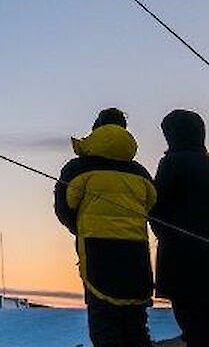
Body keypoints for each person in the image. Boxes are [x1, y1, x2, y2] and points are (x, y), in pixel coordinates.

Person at [56, 111, 157, 347]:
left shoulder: (77, 169)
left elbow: (64, 208)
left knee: (105, 327)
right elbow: (152, 206)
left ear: (96, 129)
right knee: (136, 327)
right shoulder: (139, 172)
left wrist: (82, 229)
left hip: (97, 255)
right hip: (136, 256)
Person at [150, 110, 209, 347]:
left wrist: (164, 234)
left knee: (192, 322)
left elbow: (157, 206)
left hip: (182, 256)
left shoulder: (172, 163)